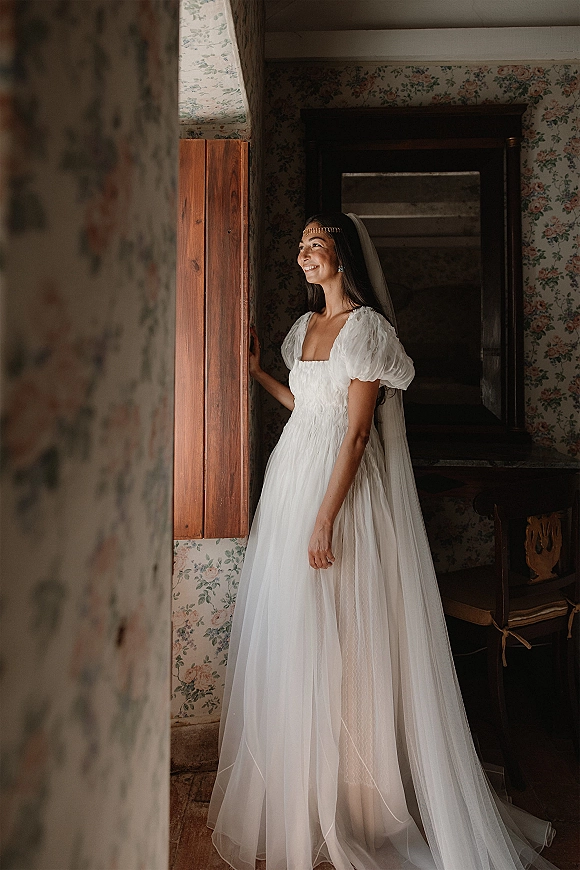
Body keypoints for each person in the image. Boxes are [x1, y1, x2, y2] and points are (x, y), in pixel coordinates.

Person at [207, 212, 559, 870]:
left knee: (349, 635)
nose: (304, 253)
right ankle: (311, 790)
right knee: (299, 632)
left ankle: (362, 798)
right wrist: (256, 373)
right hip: (292, 484)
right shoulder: (305, 328)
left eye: (315, 244)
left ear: (341, 253)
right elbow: (308, 407)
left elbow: (358, 434)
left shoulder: (366, 330)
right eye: (301, 245)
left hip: (341, 499)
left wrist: (325, 518)